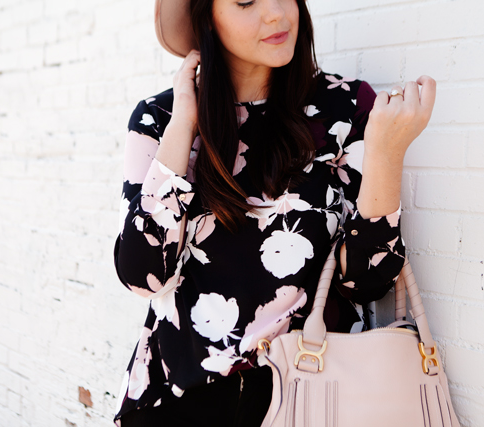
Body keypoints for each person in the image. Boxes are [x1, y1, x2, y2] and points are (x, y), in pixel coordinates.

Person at [112, 0, 436, 425]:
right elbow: (144, 274)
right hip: (181, 401)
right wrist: (184, 124)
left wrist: (387, 155)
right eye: (246, 1)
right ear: (207, 15)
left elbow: (366, 281)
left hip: (309, 395)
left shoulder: (344, 109)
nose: (276, 14)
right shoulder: (160, 118)